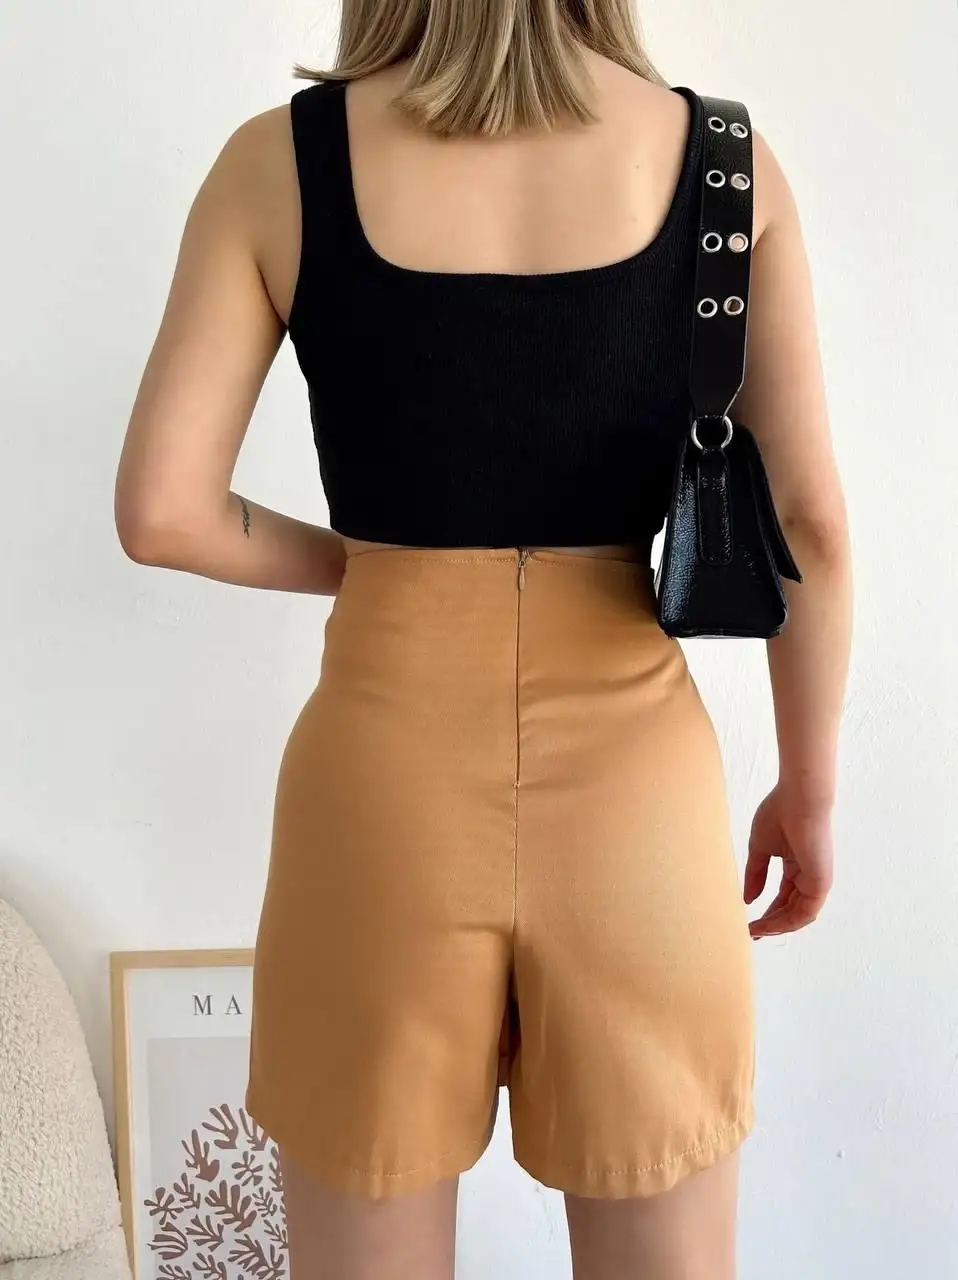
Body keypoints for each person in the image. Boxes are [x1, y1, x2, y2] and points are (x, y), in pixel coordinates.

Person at [114, 0, 852, 1274]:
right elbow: (813, 528)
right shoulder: (726, 168)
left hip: (378, 793)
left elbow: (162, 510)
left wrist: (375, 568)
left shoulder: (278, 164)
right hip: (639, 811)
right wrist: (807, 792)